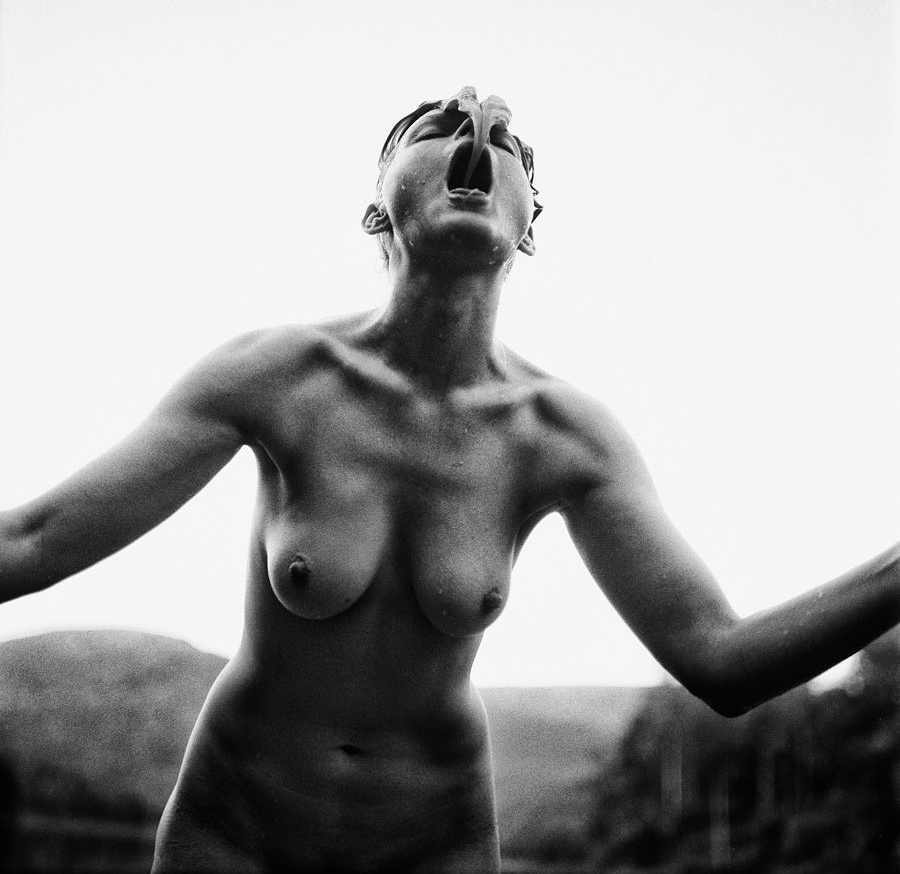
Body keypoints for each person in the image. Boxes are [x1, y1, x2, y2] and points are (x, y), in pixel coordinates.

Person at [0, 85, 898, 873]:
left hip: (432, 846)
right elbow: (34, 542)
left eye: (508, 145)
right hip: (234, 830)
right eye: (433, 128)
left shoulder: (564, 437)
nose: (476, 135)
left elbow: (719, 658)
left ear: (530, 227)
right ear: (375, 212)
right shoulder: (274, 377)